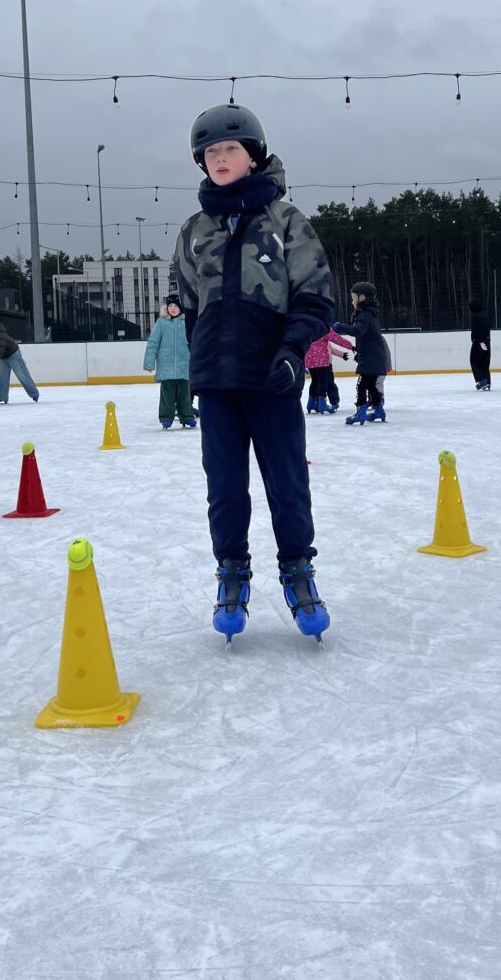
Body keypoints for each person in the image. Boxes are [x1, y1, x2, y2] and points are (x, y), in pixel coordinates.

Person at [172, 103, 333, 645]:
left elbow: (314, 298)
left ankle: (297, 571)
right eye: (211, 152)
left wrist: (291, 352)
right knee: (224, 489)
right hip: (218, 384)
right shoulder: (193, 231)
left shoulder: (287, 221)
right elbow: (193, 309)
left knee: (287, 483)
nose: (220, 159)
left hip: (273, 378)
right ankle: (232, 573)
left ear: (254, 155)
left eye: (230, 149)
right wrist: (200, 366)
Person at [334, 282, 389, 425]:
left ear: (362, 298)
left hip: (371, 357)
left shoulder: (365, 314)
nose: (352, 301)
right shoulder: (369, 313)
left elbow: (358, 331)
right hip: (374, 356)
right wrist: (360, 353)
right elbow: (367, 337)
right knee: (370, 385)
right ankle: (379, 410)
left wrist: (339, 327)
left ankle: (361, 412)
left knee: (361, 385)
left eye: (353, 298)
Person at [142, 296, 196, 429]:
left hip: (184, 363)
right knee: (167, 394)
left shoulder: (186, 322)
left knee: (185, 394)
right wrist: (149, 363)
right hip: (166, 364)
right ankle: (166, 418)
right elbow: (153, 342)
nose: (173, 309)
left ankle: (187, 417)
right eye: (170, 306)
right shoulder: (161, 323)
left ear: (181, 308)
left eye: (175, 306)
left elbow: (195, 341)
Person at [0, 315, 40, 403]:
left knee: (22, 375)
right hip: (4, 357)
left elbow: (0, 348)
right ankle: (1, 397)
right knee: (1, 377)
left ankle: (34, 393)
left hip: (13, 354)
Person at [304, 326, 356, 413]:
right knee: (322, 382)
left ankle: (311, 404)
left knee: (315, 381)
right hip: (321, 359)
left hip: (309, 359)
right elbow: (337, 339)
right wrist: (351, 346)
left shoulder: (307, 326)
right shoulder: (323, 328)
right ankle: (322, 404)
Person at [468, 297, 492, 390]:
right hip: (487, 342)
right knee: (485, 363)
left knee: (474, 362)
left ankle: (482, 381)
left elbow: (476, 330)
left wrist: (475, 340)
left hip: (478, 342)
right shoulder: (485, 315)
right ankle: (487, 382)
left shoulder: (475, 316)